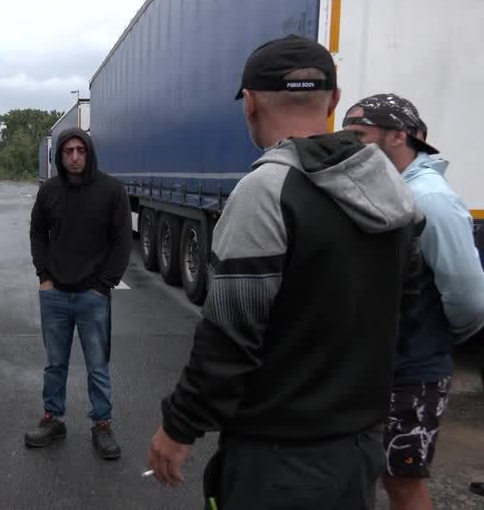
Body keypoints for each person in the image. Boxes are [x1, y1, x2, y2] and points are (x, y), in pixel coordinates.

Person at [146, 34, 422, 509]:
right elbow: (406, 306)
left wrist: (179, 426)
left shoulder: (267, 190)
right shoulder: (391, 191)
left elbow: (230, 336)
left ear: (250, 103)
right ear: (334, 100)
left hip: (278, 463)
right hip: (357, 455)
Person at [342, 94, 484, 510]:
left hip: (412, 370)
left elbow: (470, 296)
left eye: (360, 136)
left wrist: (435, 338)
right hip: (383, 364)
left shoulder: (430, 199)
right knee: (377, 471)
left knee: (403, 482)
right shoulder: (394, 189)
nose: (351, 146)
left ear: (397, 137)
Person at [26, 127, 132, 460]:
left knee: (97, 366)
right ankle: (53, 419)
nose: (74, 157)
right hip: (55, 294)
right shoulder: (50, 192)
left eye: (80, 151)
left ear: (89, 153)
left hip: (93, 296)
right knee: (55, 364)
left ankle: (102, 424)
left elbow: (122, 241)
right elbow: (37, 233)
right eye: (68, 151)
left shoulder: (111, 190)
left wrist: (104, 285)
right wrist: (44, 277)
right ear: (59, 155)